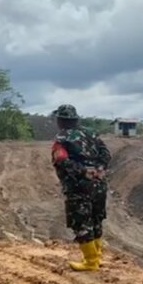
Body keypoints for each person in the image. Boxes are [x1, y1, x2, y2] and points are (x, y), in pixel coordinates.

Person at [51, 104, 111, 271]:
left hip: (78, 187)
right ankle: (97, 258)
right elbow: (106, 154)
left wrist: (84, 172)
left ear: (60, 120)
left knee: (81, 223)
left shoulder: (62, 139)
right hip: (99, 184)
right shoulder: (91, 133)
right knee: (96, 219)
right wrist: (98, 170)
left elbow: (62, 161)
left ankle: (90, 262)